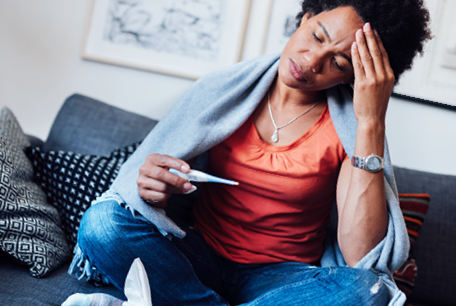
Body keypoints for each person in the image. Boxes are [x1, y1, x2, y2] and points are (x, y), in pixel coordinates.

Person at [63, 1, 431, 305]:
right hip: (197, 256)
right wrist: (153, 184)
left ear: (354, 78)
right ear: (305, 17)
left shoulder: (350, 129)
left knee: (368, 293)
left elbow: (360, 256)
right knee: (102, 224)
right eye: (317, 35)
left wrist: (371, 122)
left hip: (280, 280)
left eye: (339, 62)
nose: (312, 61)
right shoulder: (223, 92)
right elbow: (142, 190)